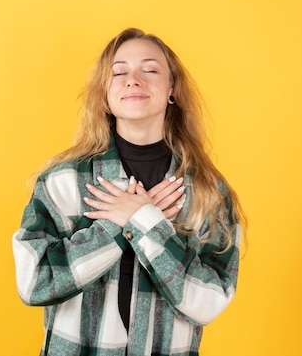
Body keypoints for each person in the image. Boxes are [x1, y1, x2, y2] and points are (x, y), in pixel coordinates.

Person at [12, 27, 245, 356]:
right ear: (104, 93)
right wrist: (121, 225)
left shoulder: (208, 193)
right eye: (119, 72)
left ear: (172, 89)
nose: (133, 80)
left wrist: (143, 219)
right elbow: (35, 283)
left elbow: (208, 302)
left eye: (150, 70)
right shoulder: (62, 181)